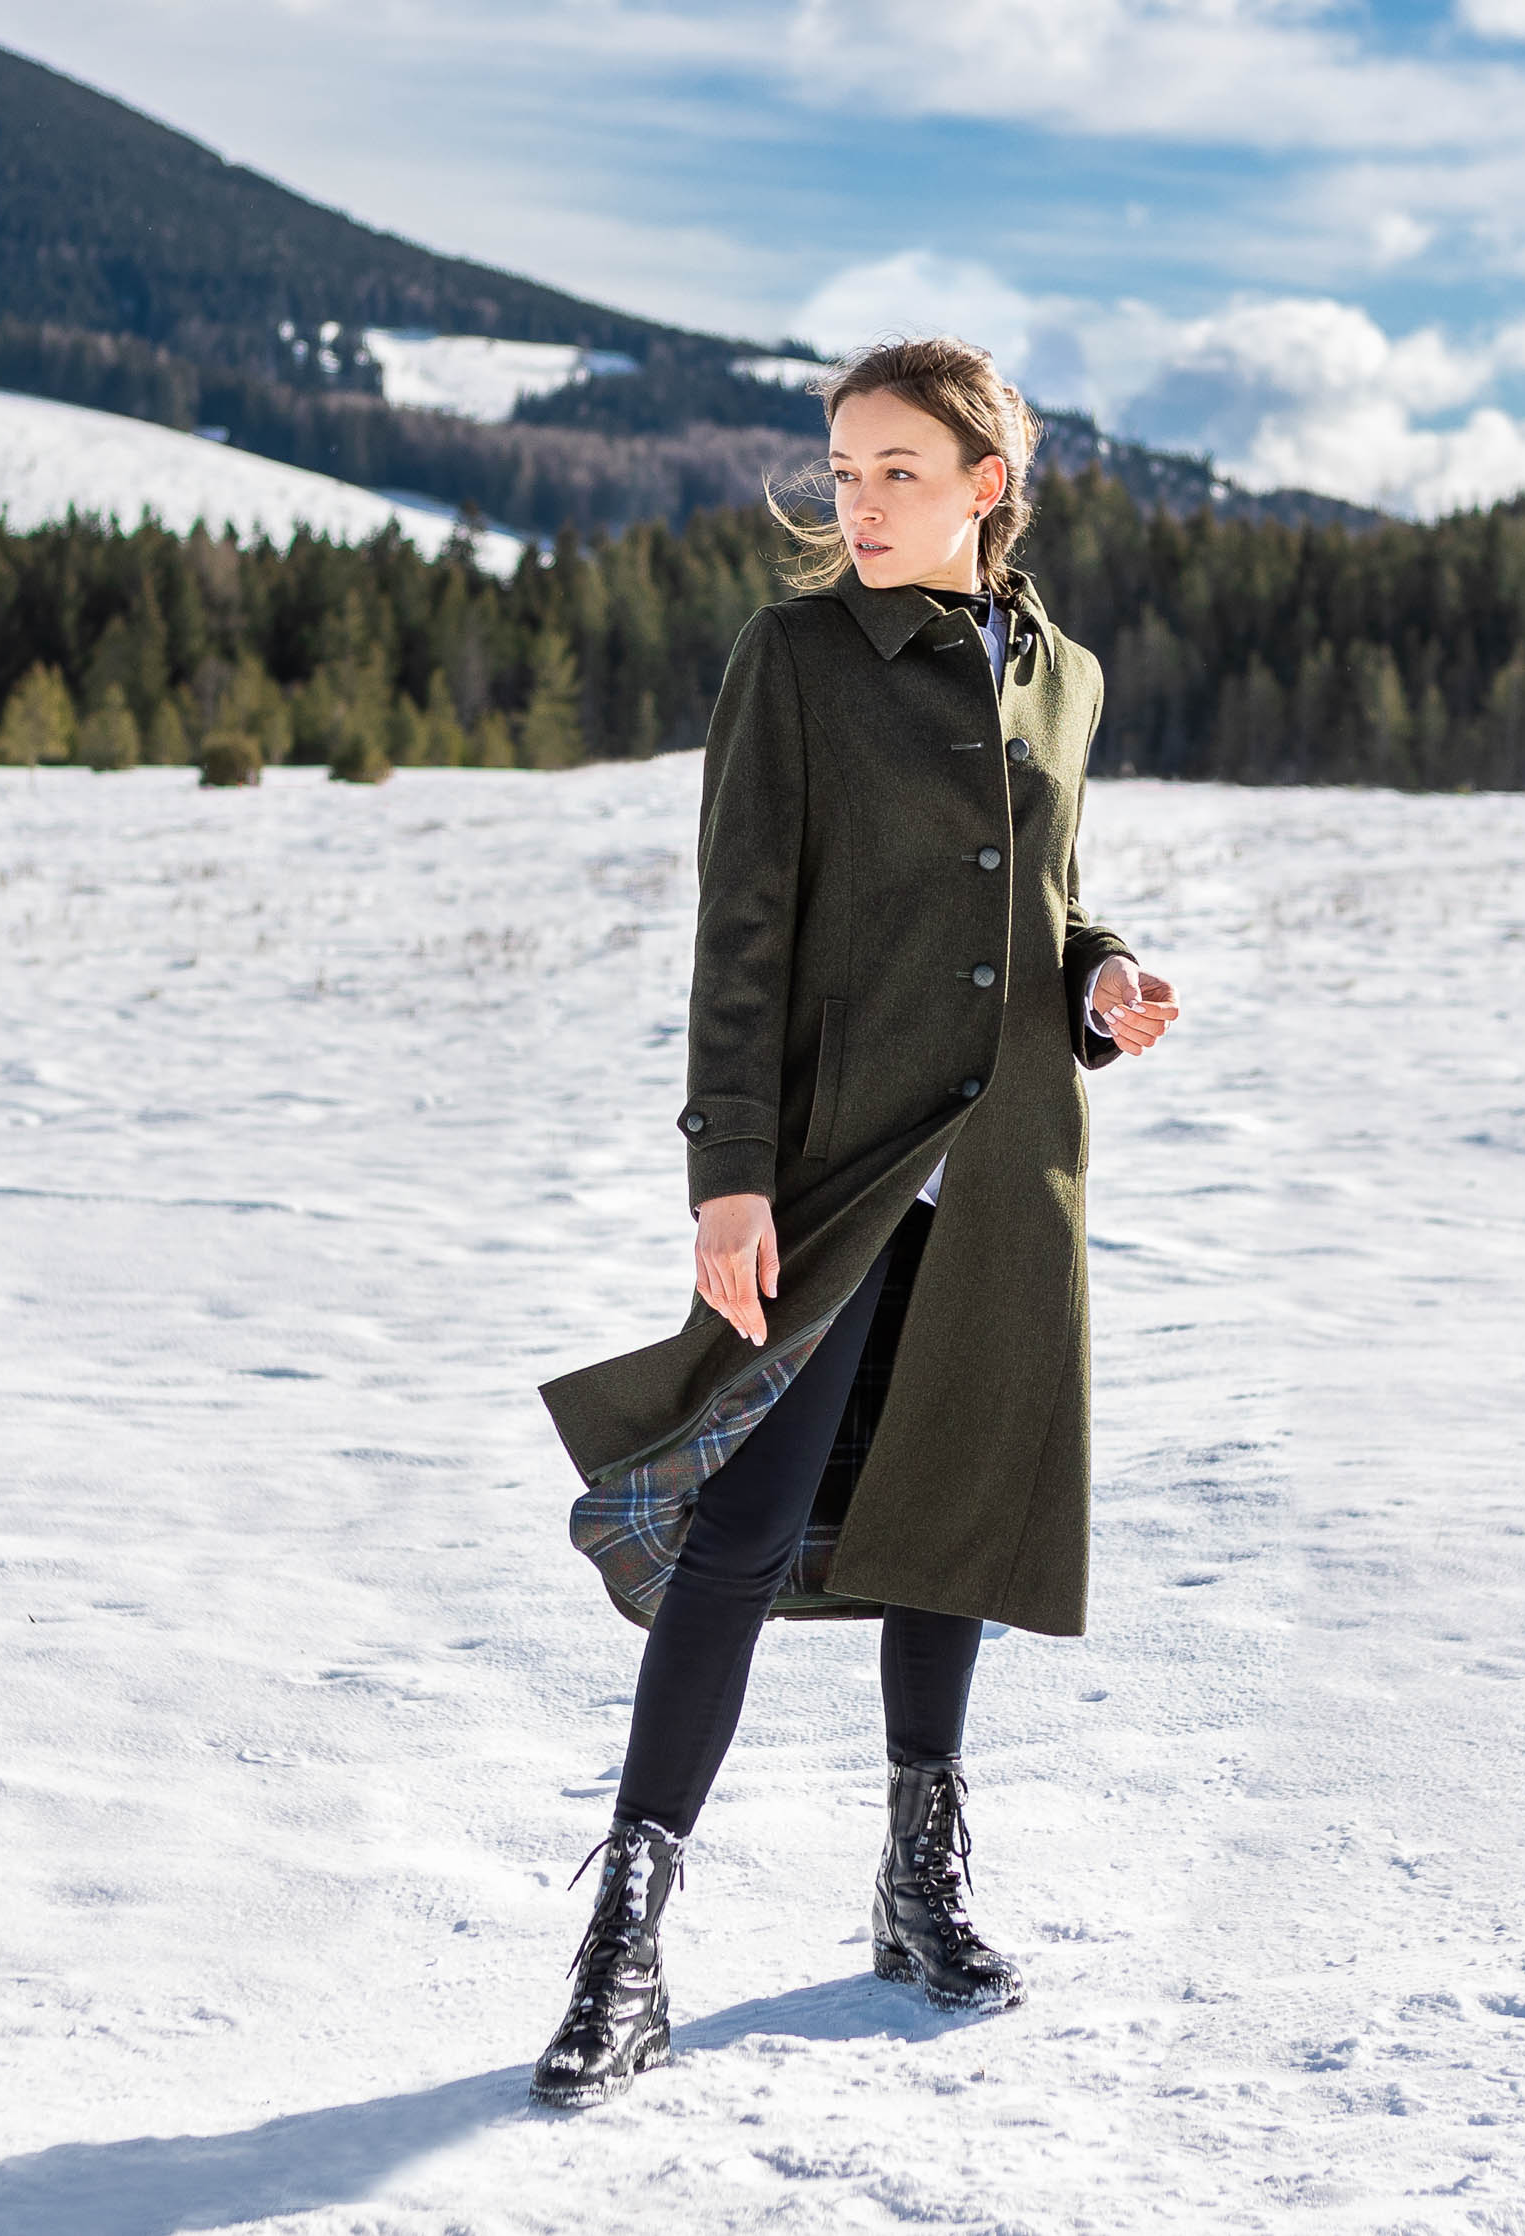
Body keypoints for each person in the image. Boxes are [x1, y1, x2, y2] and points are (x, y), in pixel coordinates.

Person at [532, 336, 1178, 2107]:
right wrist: (725, 1168)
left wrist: (1101, 977)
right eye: (842, 468)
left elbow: (1037, 907)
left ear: (989, 484)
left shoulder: (1066, 675)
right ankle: (625, 1941)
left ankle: (917, 1884)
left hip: (1008, 1180)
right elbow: (739, 931)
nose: (858, 501)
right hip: (834, 1168)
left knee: (952, 1514)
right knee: (738, 1532)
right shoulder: (799, 660)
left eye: (899, 468)